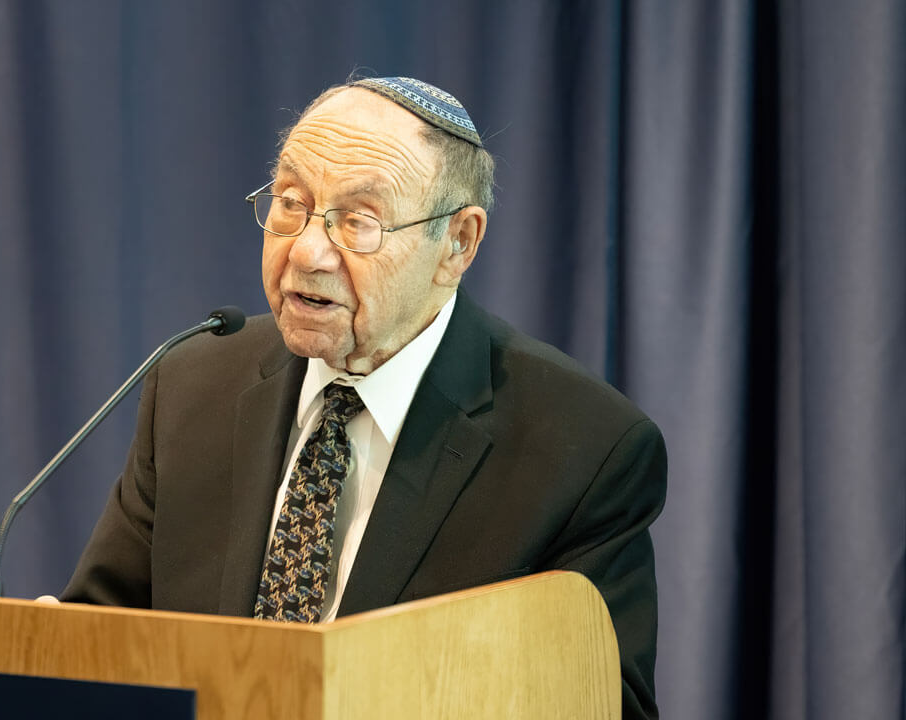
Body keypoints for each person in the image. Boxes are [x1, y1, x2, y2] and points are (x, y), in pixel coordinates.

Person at [61, 77, 666, 719]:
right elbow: (101, 631)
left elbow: (601, 704)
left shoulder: (584, 450)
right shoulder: (193, 385)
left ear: (458, 243)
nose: (307, 251)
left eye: (359, 221)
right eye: (290, 203)